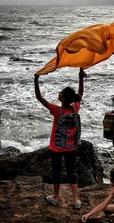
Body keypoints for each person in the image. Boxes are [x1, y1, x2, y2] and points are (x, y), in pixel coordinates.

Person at [34, 68, 86, 209]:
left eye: (60, 92)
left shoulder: (56, 110)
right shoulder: (75, 108)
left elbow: (39, 98)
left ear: (63, 98)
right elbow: (79, 94)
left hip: (56, 147)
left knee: (56, 171)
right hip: (71, 146)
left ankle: (56, 197)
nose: (59, 93)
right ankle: (76, 200)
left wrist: (36, 79)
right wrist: (81, 78)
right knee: (72, 171)